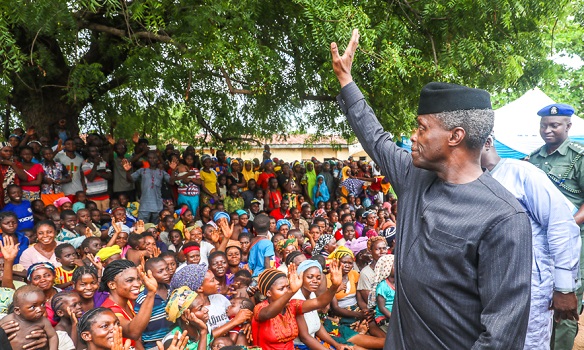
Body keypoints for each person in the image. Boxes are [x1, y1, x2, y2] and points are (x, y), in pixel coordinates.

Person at [331, 29, 532, 348]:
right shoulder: (414, 177)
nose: (413, 135)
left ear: (455, 137)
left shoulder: (504, 219)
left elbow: (501, 335)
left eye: (422, 128)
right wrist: (346, 82)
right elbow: (376, 139)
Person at [482, 132, 581, 348]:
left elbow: (561, 225)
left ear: (487, 142)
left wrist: (564, 287)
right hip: (488, 287)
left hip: (530, 285)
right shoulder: (469, 179)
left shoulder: (521, 174)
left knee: (529, 342)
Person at [528, 103, 584, 350]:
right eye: (543, 126)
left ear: (568, 126)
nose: (547, 130)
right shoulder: (533, 158)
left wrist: (565, 226)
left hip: (570, 244)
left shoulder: (579, 158)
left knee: (565, 306)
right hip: (538, 245)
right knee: (540, 302)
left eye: (554, 125)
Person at [251, 261, 342, 350]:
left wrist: (334, 286)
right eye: (281, 288)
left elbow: (319, 302)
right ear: (269, 293)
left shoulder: (292, 305)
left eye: (287, 287)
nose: (286, 290)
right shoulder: (260, 308)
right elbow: (268, 314)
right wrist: (291, 291)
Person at [99, 259, 158, 347]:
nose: (138, 284)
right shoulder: (110, 311)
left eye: (138, 279)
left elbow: (136, 341)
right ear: (112, 285)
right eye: (130, 280)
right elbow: (133, 333)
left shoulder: (128, 301)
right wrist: (151, 293)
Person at [122, 151, 177, 223]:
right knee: (142, 226)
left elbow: (171, 182)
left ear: (158, 160)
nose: (152, 160)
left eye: (154, 158)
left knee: (157, 227)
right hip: (144, 206)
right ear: (147, 159)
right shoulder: (142, 170)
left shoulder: (161, 172)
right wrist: (127, 171)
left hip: (157, 206)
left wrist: (172, 170)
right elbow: (130, 180)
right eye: (150, 158)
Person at [0, 285, 59, 350]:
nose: (40, 309)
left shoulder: (43, 321)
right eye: (33, 307)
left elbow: (53, 337)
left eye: (42, 304)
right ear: (17, 310)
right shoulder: (8, 319)